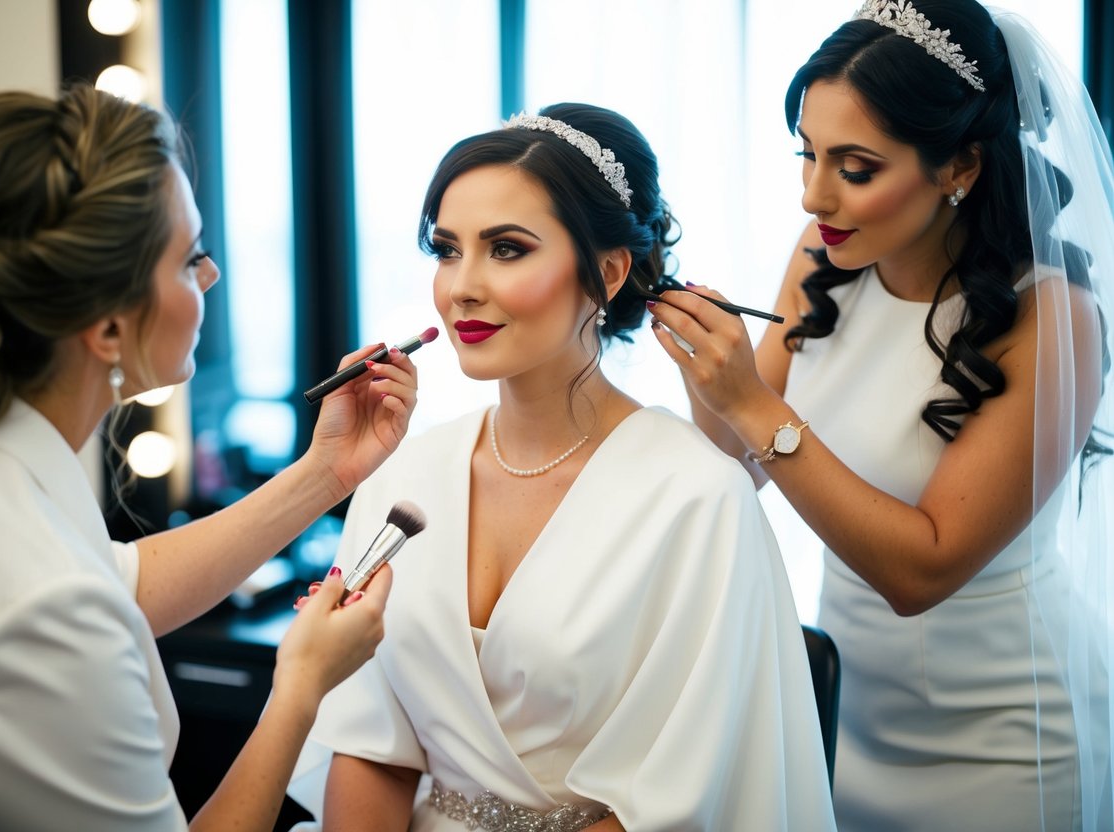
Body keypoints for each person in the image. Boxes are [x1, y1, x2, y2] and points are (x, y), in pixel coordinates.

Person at [289, 104, 838, 831]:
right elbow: (369, 743)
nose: (461, 287)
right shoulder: (404, 475)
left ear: (608, 272)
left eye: (507, 249)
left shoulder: (695, 498)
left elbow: (678, 797)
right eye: (446, 250)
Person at [0, 84, 420, 831]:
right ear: (108, 329)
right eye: (188, 260)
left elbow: (121, 585)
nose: (209, 278)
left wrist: (326, 471)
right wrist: (301, 687)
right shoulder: (36, 603)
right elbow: (76, 602)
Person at [648, 1, 1114, 829]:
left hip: (998, 741)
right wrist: (706, 378)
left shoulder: (1052, 318)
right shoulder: (826, 256)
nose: (813, 195)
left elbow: (920, 572)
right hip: (843, 710)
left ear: (958, 166)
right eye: (807, 154)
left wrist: (751, 403)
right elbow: (739, 468)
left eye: (854, 167)